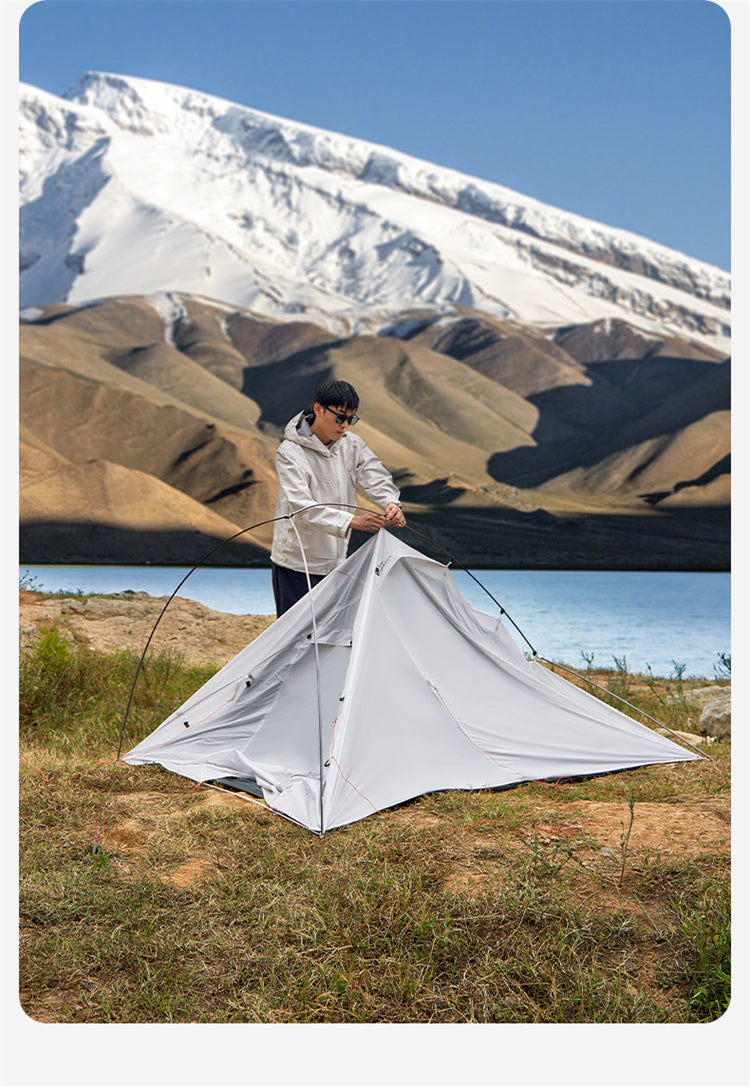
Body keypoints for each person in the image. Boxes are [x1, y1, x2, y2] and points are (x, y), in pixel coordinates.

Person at [270, 379, 406, 616]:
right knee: (295, 635)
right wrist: (352, 521)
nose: (345, 426)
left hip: (337, 564)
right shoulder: (290, 453)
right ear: (318, 409)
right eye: (340, 417)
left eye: (351, 419)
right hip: (296, 564)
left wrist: (391, 502)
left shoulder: (352, 445)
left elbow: (376, 476)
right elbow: (302, 506)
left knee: (332, 633)